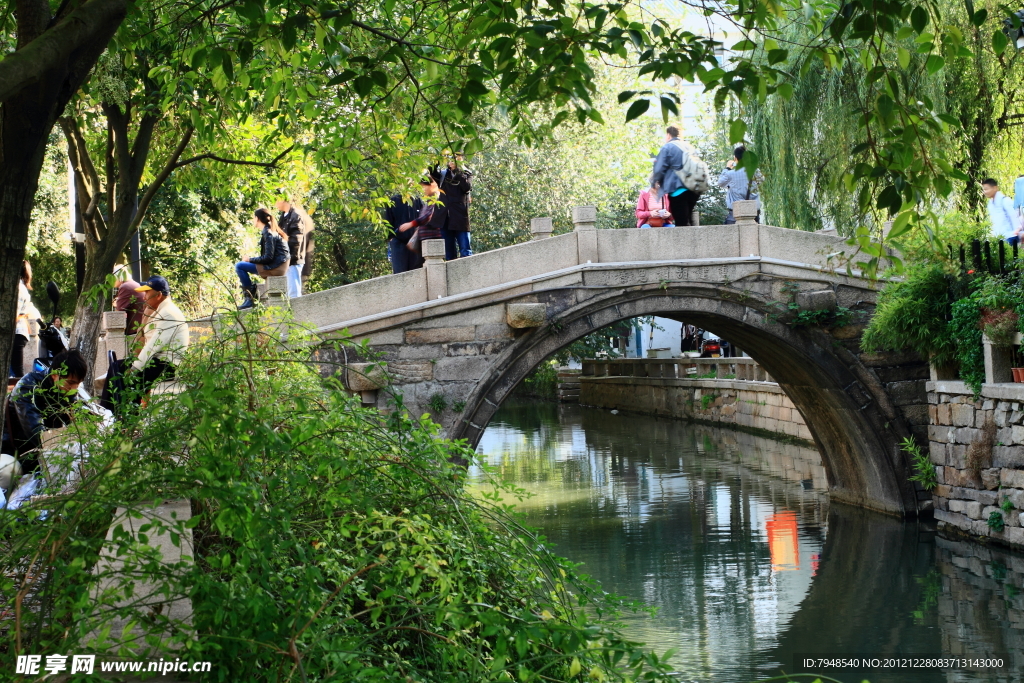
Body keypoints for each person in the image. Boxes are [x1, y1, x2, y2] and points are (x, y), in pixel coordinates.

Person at [8, 349, 89, 467]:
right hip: (18, 452)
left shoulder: (67, 390)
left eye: (78, 383)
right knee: (7, 472)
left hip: (50, 451)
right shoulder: (28, 387)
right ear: (55, 375)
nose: (74, 388)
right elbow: (37, 434)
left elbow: (79, 419)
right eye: (70, 383)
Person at [130, 276, 188, 396]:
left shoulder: (168, 313)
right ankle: (110, 412)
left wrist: (135, 368)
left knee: (129, 382)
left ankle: (126, 413)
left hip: (165, 363)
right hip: (158, 359)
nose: (144, 297)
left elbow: (153, 345)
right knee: (116, 368)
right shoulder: (161, 310)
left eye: (147, 292)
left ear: (158, 295)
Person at [235, 208, 290, 309]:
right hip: (278, 265)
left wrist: (250, 259)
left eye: (253, 218)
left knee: (240, 266)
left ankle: (250, 299)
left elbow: (268, 258)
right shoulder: (269, 231)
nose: (253, 220)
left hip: (276, 267)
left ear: (257, 218)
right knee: (242, 265)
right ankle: (250, 297)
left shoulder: (268, 233)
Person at [650, 125, 702, 227]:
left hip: (678, 190)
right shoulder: (689, 146)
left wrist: (654, 183)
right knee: (688, 220)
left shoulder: (668, 147)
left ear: (668, 135)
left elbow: (660, 167)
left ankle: (685, 241)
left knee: (681, 223)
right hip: (694, 189)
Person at [431, 152, 473, 260]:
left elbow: (466, 187)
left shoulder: (466, 173)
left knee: (465, 250)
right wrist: (437, 160)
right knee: (449, 253)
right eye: (452, 157)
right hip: (444, 218)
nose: (453, 159)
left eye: (457, 156)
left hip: (460, 217)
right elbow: (432, 172)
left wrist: (457, 171)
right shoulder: (444, 174)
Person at [398, 176, 442, 268]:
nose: (422, 190)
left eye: (423, 187)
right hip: (424, 238)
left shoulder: (436, 198)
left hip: (432, 237)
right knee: (419, 266)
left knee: (420, 266)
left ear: (431, 185)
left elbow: (428, 216)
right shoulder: (428, 199)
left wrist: (412, 224)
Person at [718, 145, 764, 224]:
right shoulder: (755, 171)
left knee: (730, 234)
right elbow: (762, 180)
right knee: (755, 235)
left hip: (736, 212)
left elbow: (720, 183)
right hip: (753, 211)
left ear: (735, 158)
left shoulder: (730, 174)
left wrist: (727, 168)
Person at [11, 261, 41, 378]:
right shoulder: (20, 287)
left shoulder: (18, 288)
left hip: (17, 332)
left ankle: (22, 394)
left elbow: (15, 314)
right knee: (15, 370)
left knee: (17, 372)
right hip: (18, 332)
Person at [385, 192, 424, 274]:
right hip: (398, 241)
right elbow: (387, 221)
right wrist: (391, 237)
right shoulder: (393, 200)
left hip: (415, 241)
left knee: (416, 272)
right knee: (400, 273)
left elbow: (423, 218)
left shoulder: (417, 200)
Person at [982, 178, 1024, 246]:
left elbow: (1015, 218)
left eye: (986, 189)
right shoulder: (990, 204)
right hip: (998, 239)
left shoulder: (1005, 201)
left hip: (1010, 237)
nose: (984, 192)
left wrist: (1018, 232)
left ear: (995, 188)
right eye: (983, 189)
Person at [277, 198, 305, 298]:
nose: (275, 203)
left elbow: (296, 240)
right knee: (289, 293)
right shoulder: (284, 216)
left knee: (294, 294)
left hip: (293, 260)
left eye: (277, 200)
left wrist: (288, 257)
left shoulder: (295, 216)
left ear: (284, 200)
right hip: (285, 259)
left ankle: (297, 313)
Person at [113, 266, 146, 336]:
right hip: (141, 327)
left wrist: (117, 304)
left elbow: (118, 314)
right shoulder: (134, 284)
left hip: (134, 332)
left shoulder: (125, 287)